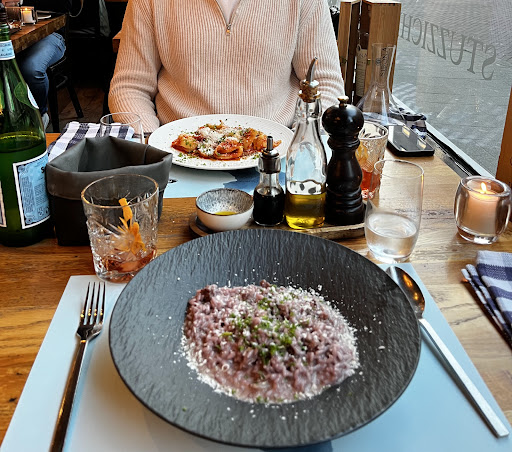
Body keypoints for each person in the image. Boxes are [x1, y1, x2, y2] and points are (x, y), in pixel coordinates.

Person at [109, 0, 344, 133]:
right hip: (176, 155)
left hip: (276, 156)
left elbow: (325, 85)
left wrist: (303, 143)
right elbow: (130, 87)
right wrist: (152, 146)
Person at [15, 0, 73, 128]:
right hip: (15, 32)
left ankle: (39, 116)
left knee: (32, 70)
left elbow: (65, 5)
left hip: (50, 33)